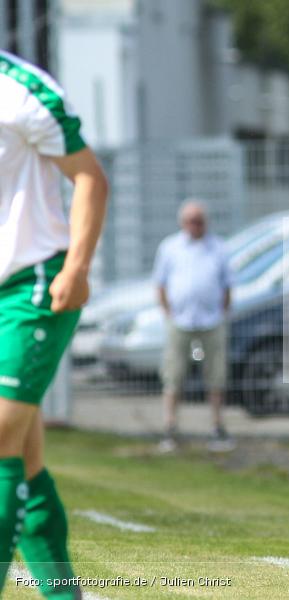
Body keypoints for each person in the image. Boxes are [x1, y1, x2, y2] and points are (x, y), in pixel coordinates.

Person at [0, 50, 108, 598]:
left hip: (32, 285)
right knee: (22, 455)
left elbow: (90, 177)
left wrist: (77, 266)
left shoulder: (21, 89)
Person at [153, 200, 234, 452]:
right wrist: (168, 312)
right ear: (182, 223)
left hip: (210, 321)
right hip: (181, 322)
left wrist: (222, 312)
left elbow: (227, 285)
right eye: (190, 221)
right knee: (174, 375)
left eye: (199, 221)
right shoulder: (170, 247)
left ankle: (217, 427)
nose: (195, 226)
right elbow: (160, 283)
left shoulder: (218, 248)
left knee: (215, 376)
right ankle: (170, 427)